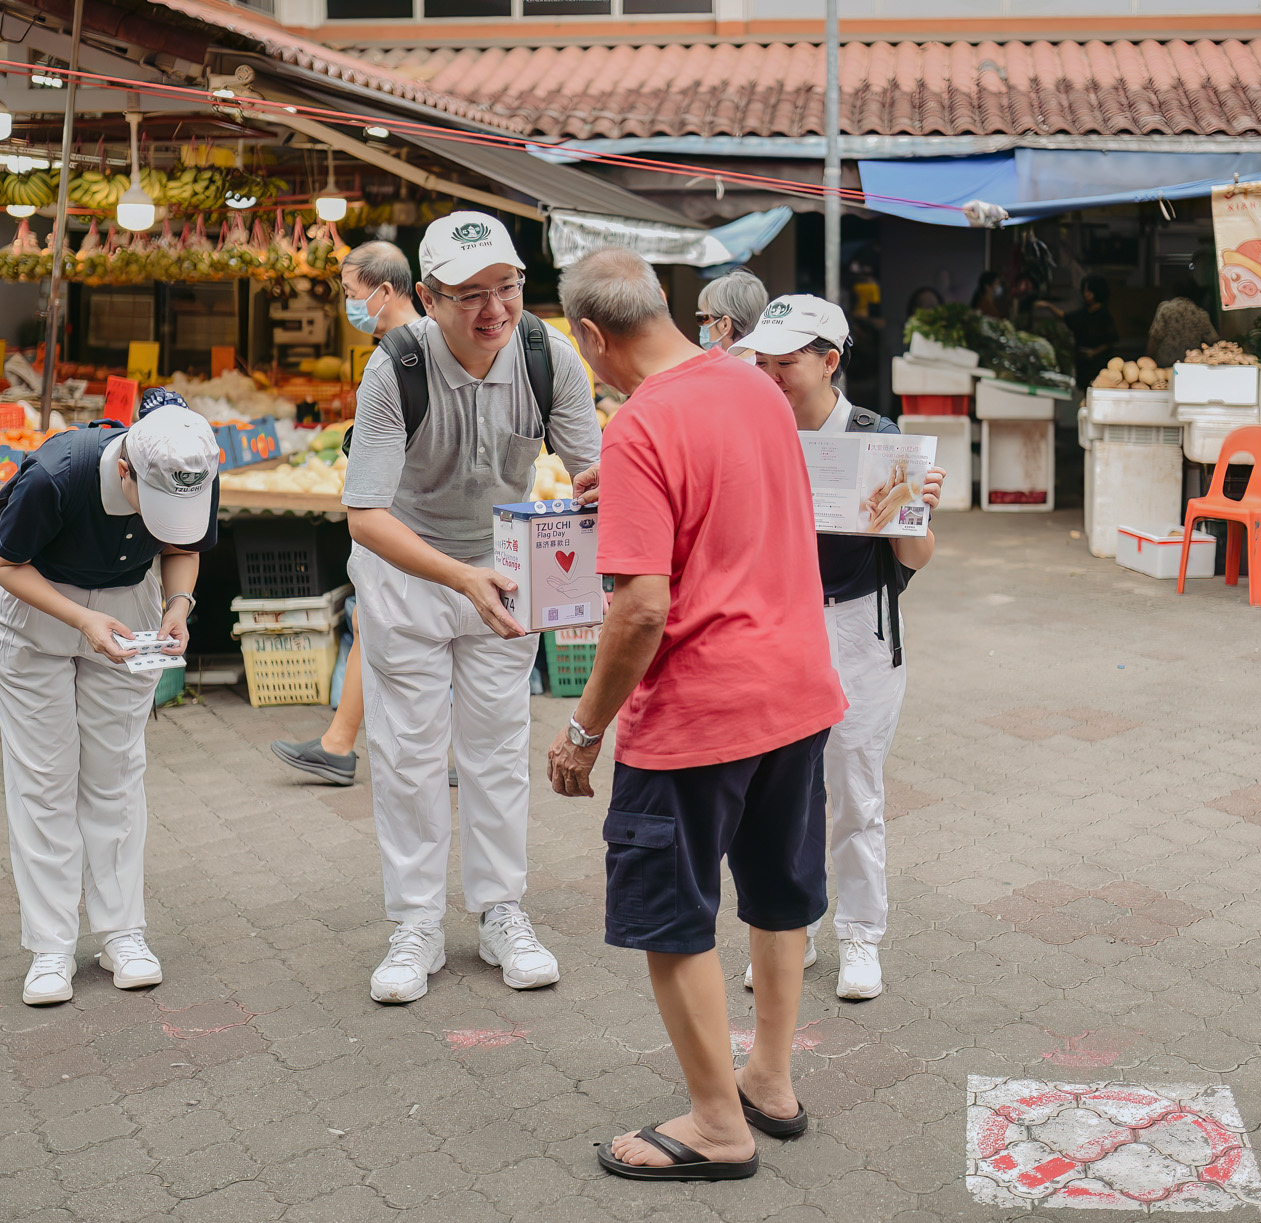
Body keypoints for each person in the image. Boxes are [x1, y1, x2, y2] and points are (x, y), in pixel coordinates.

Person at [546, 249, 846, 1182]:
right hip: (796, 688)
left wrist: (583, 730)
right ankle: (770, 1077)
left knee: (671, 917)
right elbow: (732, 501)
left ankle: (719, 1125)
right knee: (777, 891)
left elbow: (639, 609)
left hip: (698, 712)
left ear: (591, 336)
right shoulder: (756, 386)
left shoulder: (637, 427)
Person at [341, 211, 602, 1004]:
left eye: (507, 286)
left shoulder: (547, 356)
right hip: (408, 568)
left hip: (506, 567)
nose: (494, 309)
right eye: (468, 295)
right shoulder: (395, 367)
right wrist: (458, 577)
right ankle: (415, 922)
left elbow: (596, 475)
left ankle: (499, 910)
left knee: (494, 745)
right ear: (426, 296)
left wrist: (593, 563)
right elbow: (366, 515)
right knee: (408, 749)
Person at [0, 400, 222, 1005]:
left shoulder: (193, 466)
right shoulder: (56, 475)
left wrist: (177, 606)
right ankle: (50, 946)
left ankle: (122, 933)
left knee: (116, 773)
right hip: (36, 606)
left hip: (128, 607)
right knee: (45, 777)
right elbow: (4, 562)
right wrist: (82, 617)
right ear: (125, 472)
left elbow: (183, 547)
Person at [738, 295, 943, 1001]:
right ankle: (789, 927)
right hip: (774, 624)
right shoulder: (749, 431)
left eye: (784, 363)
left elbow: (916, 555)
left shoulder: (875, 437)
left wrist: (912, 505)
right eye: (759, 362)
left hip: (858, 628)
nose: (768, 376)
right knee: (778, 791)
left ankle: (860, 931)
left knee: (854, 784)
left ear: (830, 362)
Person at [269, 240, 421, 786]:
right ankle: (341, 742)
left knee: (391, 622)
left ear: (384, 291)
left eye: (351, 293)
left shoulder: (406, 352)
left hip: (402, 519)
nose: (347, 304)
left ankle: (370, 747)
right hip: (398, 518)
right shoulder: (405, 347)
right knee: (370, 618)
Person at [1145, 274, 1219, 367]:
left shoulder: (1166, 309)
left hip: (1165, 365)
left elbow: (1155, 337)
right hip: (1189, 366)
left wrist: (1147, 359)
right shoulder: (1201, 314)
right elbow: (1213, 340)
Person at [694, 269, 767, 352]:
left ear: (725, 324)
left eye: (703, 318)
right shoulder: (766, 361)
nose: (701, 325)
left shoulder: (717, 364)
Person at [1066, 275, 1120, 383]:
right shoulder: (1083, 312)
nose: (1086, 294)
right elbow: (1067, 317)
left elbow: (1111, 339)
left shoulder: (1104, 315)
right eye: (1085, 290)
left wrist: (1094, 352)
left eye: (1089, 291)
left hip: (1098, 361)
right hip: (1082, 360)